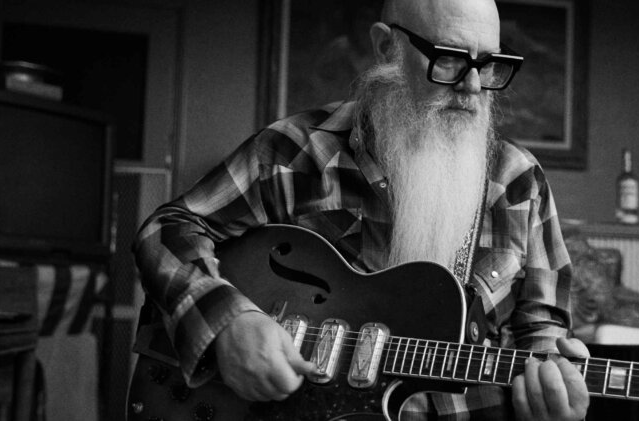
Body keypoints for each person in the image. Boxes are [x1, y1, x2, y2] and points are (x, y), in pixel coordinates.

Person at [132, 0, 590, 419]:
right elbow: (165, 229)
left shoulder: (518, 181)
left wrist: (551, 394)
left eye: (489, 64)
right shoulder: (293, 153)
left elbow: (542, 330)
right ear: (387, 47)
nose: (473, 86)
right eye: (449, 57)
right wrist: (228, 324)